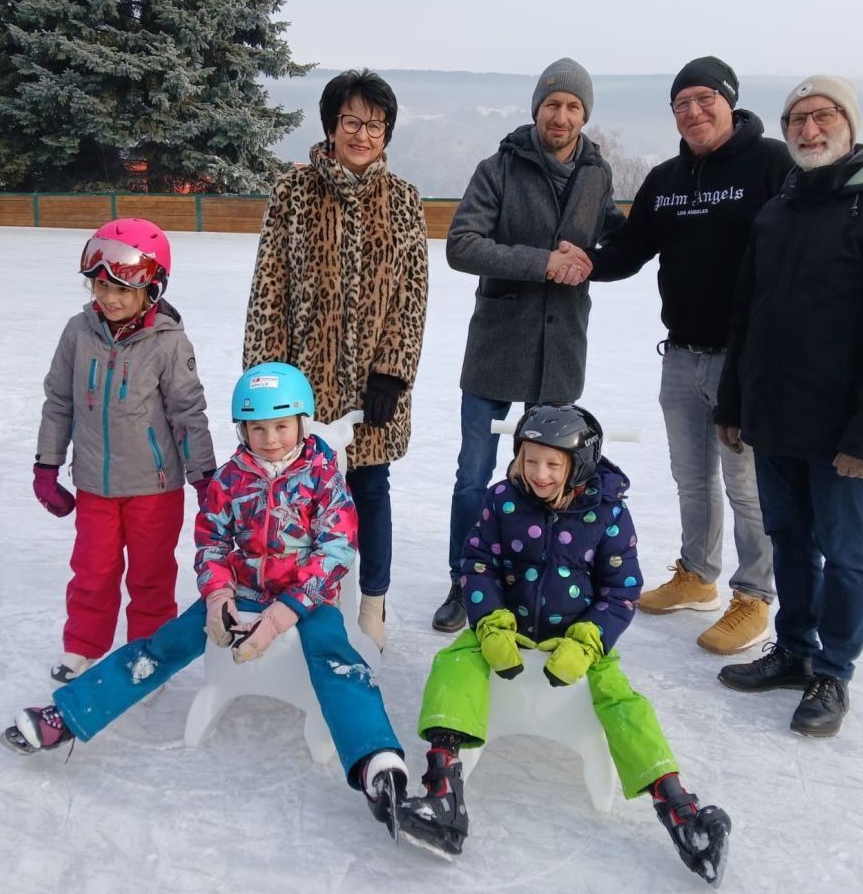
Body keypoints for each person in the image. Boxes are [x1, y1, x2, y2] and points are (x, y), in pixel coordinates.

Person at [1, 363, 410, 836]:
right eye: (257, 428)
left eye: (281, 426)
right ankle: (69, 714)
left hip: (307, 600)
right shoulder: (232, 478)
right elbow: (213, 543)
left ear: (302, 421)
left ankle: (376, 764)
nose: (271, 438)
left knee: (339, 661)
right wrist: (217, 597)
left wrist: (285, 613)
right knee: (163, 646)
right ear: (242, 429)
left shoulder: (322, 476)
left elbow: (337, 549)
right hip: (243, 592)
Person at [399, 404, 730, 886]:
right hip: (505, 628)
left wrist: (589, 638)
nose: (540, 473)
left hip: (578, 638)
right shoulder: (501, 501)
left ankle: (679, 807)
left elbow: (621, 590)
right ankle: (442, 788)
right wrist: (489, 621)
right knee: (454, 664)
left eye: (553, 464)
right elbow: (477, 565)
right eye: (531, 460)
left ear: (580, 463)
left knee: (622, 701)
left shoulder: (608, 513)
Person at [714, 76, 863, 737]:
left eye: (821, 116)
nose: (808, 129)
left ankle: (833, 670)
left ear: (849, 123)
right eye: (795, 120)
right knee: (789, 539)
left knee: (842, 547)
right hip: (776, 417)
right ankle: (795, 649)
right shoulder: (779, 210)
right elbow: (747, 314)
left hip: (843, 427)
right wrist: (733, 403)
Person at [564, 56, 794, 656]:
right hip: (681, 355)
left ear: (730, 100)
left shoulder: (770, 163)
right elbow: (631, 249)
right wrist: (581, 258)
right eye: (681, 104)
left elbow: (804, 242)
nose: (693, 112)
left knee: (744, 483)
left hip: (745, 360)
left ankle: (754, 595)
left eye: (703, 99)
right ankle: (698, 575)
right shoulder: (666, 180)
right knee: (692, 478)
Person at [433, 57, 626, 633]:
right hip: (497, 347)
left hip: (561, 350)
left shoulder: (597, 174)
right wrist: (545, 263)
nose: (561, 116)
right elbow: (462, 244)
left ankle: (532, 582)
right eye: (552, 104)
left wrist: (600, 260)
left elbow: (613, 236)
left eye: (572, 106)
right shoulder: (498, 168)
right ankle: (466, 583)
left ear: (584, 114)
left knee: (552, 475)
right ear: (536, 110)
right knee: (475, 473)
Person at [243, 68, 428, 652]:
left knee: (370, 492)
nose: (363, 134)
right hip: (303, 386)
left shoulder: (403, 200)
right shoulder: (293, 191)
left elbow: (412, 294)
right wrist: (266, 379)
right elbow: (269, 287)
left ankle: (372, 604)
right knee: (297, 499)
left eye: (375, 124)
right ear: (331, 126)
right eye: (352, 121)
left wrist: (393, 371)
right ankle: (295, 600)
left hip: (375, 388)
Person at [33, 218, 215, 685]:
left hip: (154, 487)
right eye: (99, 284)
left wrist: (205, 477)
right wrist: (47, 465)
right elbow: (59, 401)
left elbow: (188, 413)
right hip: (94, 483)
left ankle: (147, 652)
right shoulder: (78, 332)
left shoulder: (169, 343)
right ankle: (82, 647)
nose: (108, 298)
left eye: (122, 289)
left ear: (152, 290)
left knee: (151, 576)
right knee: (91, 571)